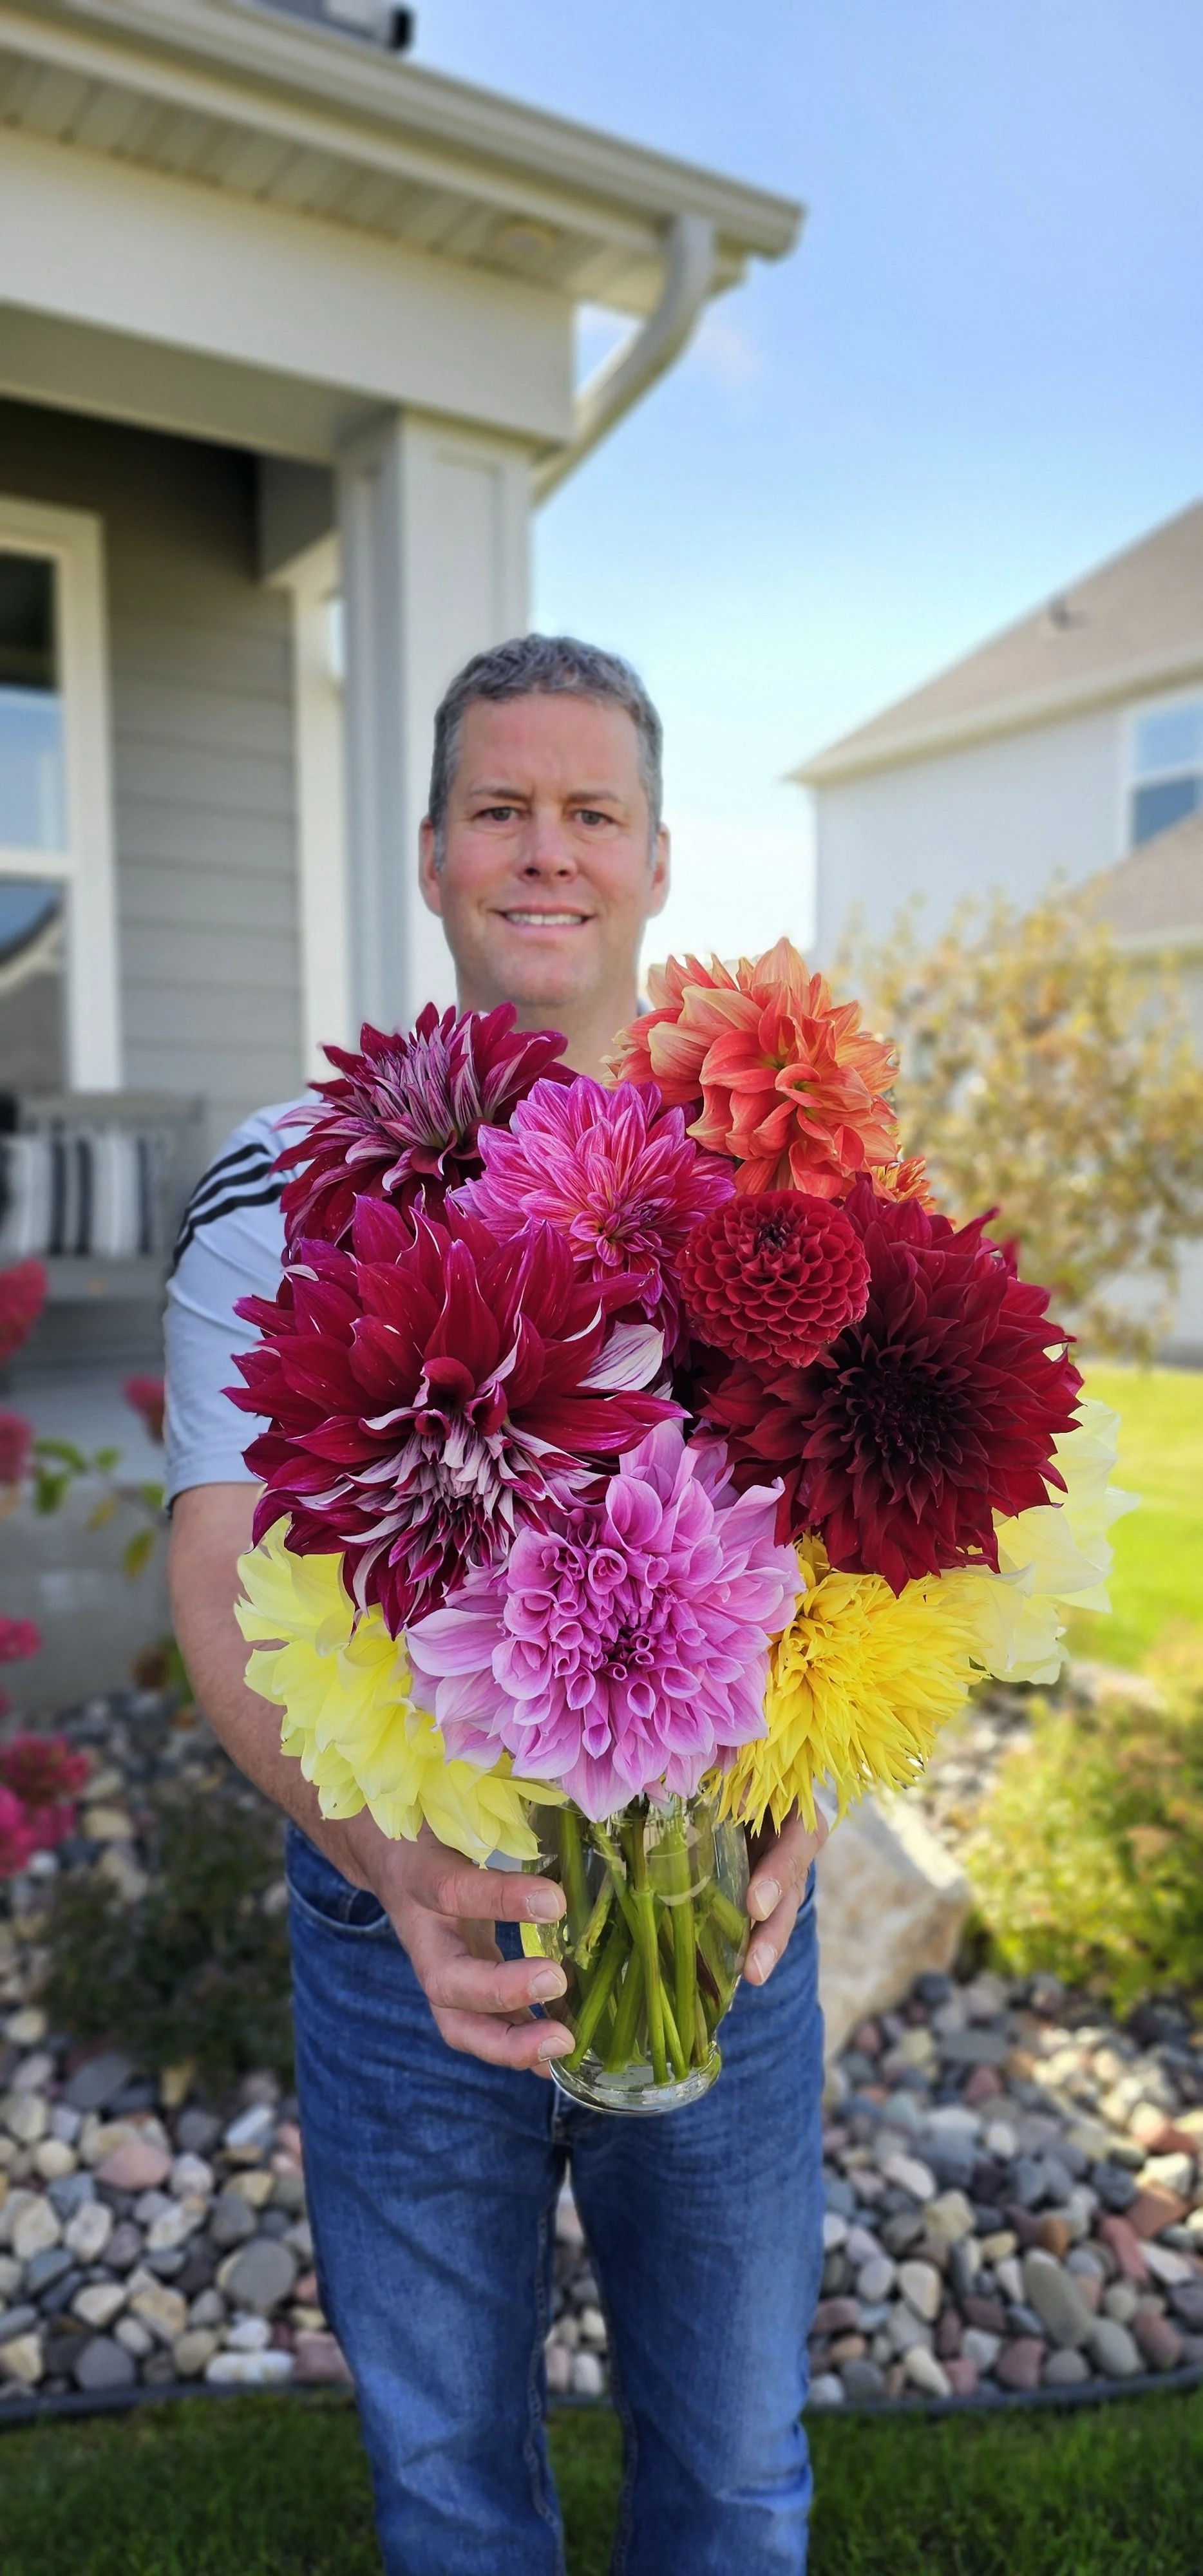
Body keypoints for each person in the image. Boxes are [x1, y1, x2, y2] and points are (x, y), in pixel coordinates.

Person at [166, 634, 828, 2576]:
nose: (547, 853)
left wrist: (806, 1800)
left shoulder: (773, 1186)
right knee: (447, 2474)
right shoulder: (282, 1185)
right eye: (501, 811)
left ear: (657, 857)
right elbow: (218, 1565)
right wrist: (389, 1867)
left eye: (589, 814)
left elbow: (868, 1555)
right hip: (404, 1912)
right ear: (435, 854)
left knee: (730, 2461)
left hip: (713, 1911)